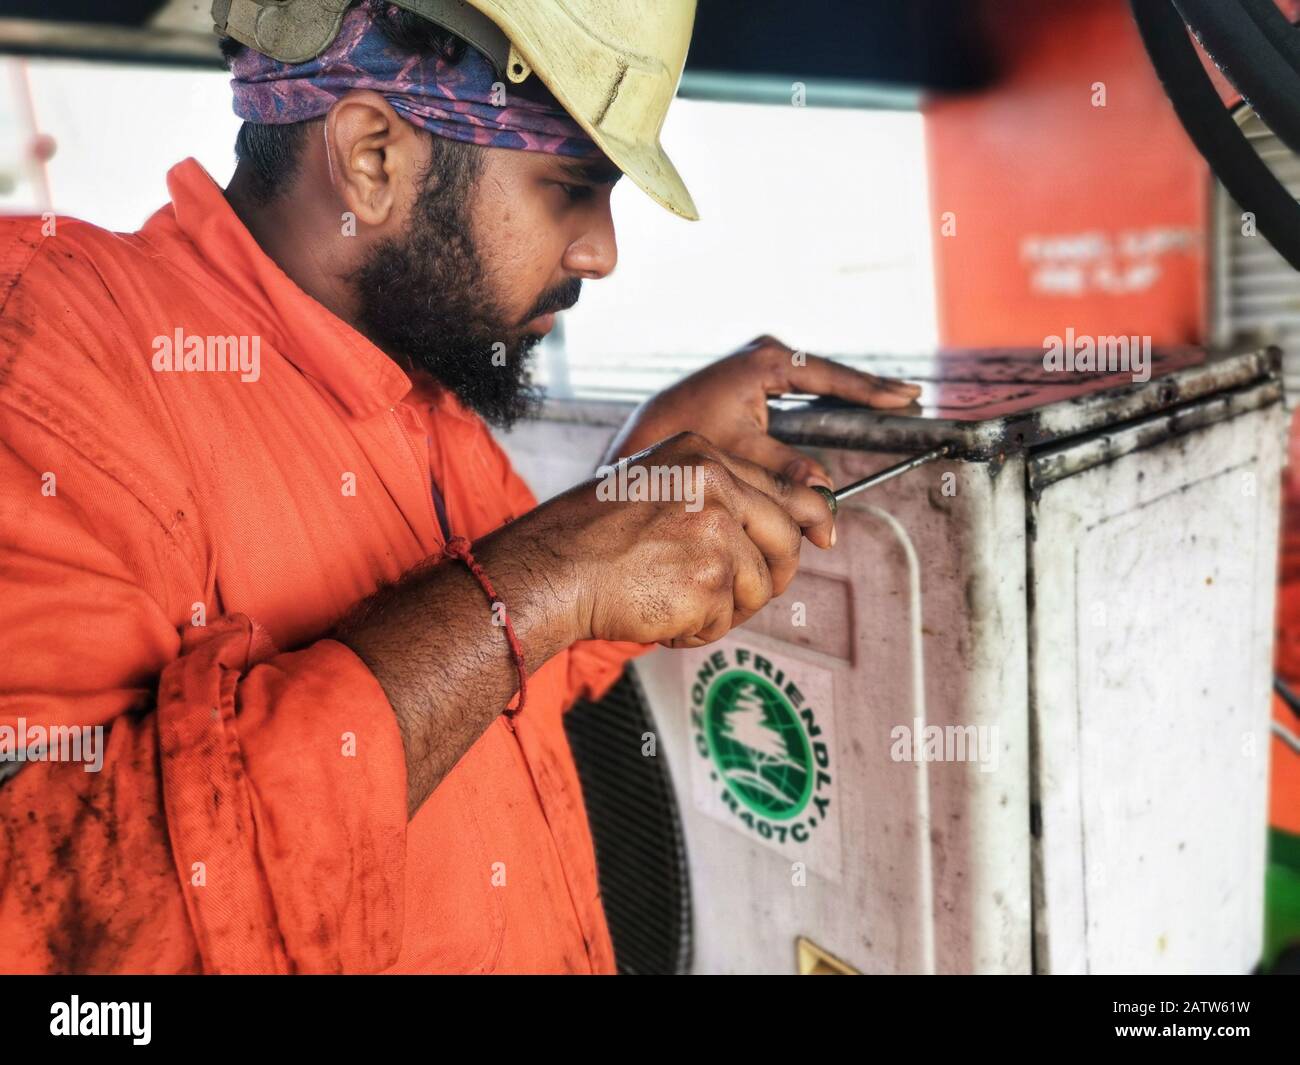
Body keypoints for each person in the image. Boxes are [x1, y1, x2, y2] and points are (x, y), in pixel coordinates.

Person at [0, 0, 919, 973]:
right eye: (570, 187)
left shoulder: (413, 385)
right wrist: (546, 576)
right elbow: (72, 932)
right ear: (372, 156)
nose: (600, 252)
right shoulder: (51, 351)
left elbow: (502, 671)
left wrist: (625, 498)